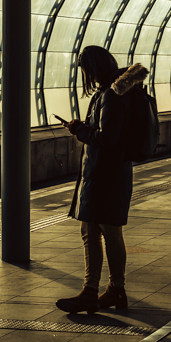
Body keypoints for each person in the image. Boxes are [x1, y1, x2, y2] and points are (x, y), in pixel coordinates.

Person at [55, 45, 148, 314]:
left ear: (93, 68)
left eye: (86, 70)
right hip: (109, 174)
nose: (86, 76)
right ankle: (106, 290)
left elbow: (107, 138)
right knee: (99, 231)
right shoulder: (118, 91)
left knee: (99, 232)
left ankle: (99, 290)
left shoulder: (111, 95)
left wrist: (80, 130)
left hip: (105, 175)